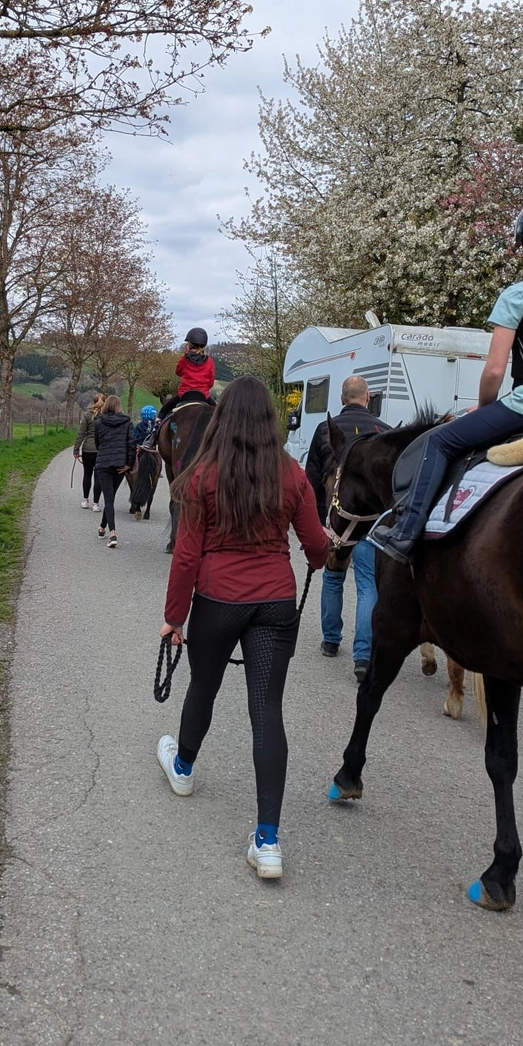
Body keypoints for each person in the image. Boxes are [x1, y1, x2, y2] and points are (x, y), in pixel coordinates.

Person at [369, 188, 523, 564]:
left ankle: (404, 534)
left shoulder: (521, 293)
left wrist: (484, 408)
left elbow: (495, 370)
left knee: (439, 443)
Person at [156, 376, 329, 881]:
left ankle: (183, 769)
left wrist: (174, 618)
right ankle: (268, 841)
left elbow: (186, 556)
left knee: (203, 687)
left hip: (217, 601)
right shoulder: (291, 474)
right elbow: (317, 548)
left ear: (222, 419)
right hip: (275, 602)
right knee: (266, 710)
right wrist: (327, 548)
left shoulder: (201, 476)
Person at [305, 376, 389, 680]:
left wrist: (317, 523)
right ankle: (363, 656)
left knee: (333, 576)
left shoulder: (325, 430)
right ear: (368, 398)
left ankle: (331, 640)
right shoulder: (383, 431)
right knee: (368, 583)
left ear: (341, 399)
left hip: (337, 520)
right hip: (371, 520)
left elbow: (312, 479)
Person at [92, 393, 135, 548]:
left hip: (103, 464)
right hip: (120, 465)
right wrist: (129, 464)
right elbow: (132, 444)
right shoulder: (127, 422)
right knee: (110, 498)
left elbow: (97, 443)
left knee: (108, 499)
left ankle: (112, 534)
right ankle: (102, 527)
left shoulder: (99, 422)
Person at [157, 328, 216, 421]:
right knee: (219, 413)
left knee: (164, 410)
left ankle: (157, 424)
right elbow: (211, 383)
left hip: (184, 395)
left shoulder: (184, 359)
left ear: (189, 345)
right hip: (203, 396)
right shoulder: (209, 361)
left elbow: (178, 372)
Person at [73, 392, 105, 510]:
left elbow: (80, 433)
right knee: (98, 477)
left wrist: (76, 449)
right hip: (101, 450)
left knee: (87, 474)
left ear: (93, 402)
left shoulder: (87, 415)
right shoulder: (106, 417)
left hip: (88, 449)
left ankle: (85, 500)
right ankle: (96, 504)